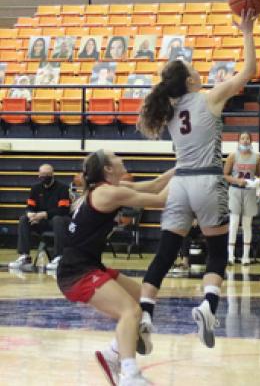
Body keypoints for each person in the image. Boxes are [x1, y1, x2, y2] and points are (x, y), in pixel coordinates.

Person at [135, 9, 257, 349]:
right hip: (207, 181)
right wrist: (246, 31)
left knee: (165, 252)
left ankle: (145, 313)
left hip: (180, 184)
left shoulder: (169, 111)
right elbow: (247, 72)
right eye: (194, 69)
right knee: (217, 251)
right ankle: (208, 306)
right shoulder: (208, 97)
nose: (199, 71)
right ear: (189, 81)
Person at [56, 150, 173, 386]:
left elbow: (155, 185)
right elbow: (161, 199)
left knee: (142, 297)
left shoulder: (106, 190)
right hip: (76, 272)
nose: (121, 159)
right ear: (108, 169)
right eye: (116, 158)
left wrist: (182, 169)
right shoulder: (107, 193)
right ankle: (129, 375)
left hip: (88, 265)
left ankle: (112, 353)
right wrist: (191, 176)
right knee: (129, 311)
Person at [8, 164, 71, 271]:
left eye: (47, 174)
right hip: (40, 221)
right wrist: (30, 214)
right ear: (38, 175)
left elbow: (63, 210)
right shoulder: (35, 188)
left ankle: (59, 257)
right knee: (24, 219)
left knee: (58, 219)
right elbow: (30, 206)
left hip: (56, 222)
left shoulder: (63, 188)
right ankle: (24, 256)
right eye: (42, 174)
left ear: (52, 175)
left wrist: (44, 214)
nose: (44, 177)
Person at [224, 131, 260, 266]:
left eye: (247, 138)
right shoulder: (232, 156)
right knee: (234, 223)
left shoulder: (257, 157)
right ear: (239, 141)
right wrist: (236, 180)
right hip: (235, 191)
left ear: (251, 141)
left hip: (250, 192)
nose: (245, 140)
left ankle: (245, 257)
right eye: (242, 138)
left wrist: (259, 182)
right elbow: (225, 175)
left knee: (247, 225)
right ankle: (230, 255)